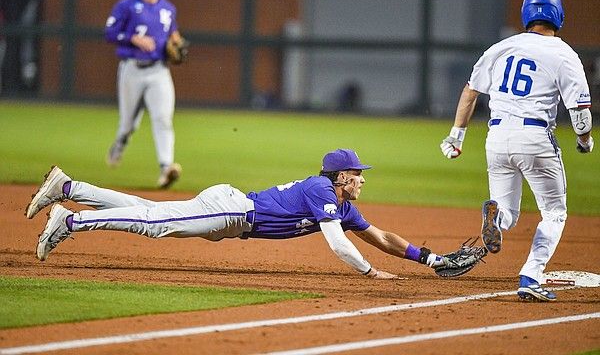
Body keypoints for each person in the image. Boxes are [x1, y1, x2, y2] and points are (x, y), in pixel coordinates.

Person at [27, 149, 464, 279]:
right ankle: (70, 219)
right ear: (340, 175)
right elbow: (337, 242)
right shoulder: (321, 190)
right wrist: (372, 274)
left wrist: (427, 258)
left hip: (234, 214)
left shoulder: (338, 201)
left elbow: (378, 234)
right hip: (233, 211)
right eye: (357, 174)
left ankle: (69, 188)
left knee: (152, 212)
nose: (362, 179)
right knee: (154, 224)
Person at [440, 0, 594, 302]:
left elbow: (470, 93)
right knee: (554, 212)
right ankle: (531, 276)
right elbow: (580, 114)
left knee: (507, 211)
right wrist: (584, 141)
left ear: (526, 15)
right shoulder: (563, 53)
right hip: (535, 138)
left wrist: (456, 137)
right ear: (559, 16)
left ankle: (495, 218)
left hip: (496, 137)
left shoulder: (500, 47)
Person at [104, 0, 183, 189]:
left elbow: (173, 33)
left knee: (163, 119)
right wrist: (132, 38)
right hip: (132, 69)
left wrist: (176, 41)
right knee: (129, 125)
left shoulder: (168, 9)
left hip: (159, 70)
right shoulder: (126, 6)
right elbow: (109, 33)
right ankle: (120, 143)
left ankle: (166, 168)